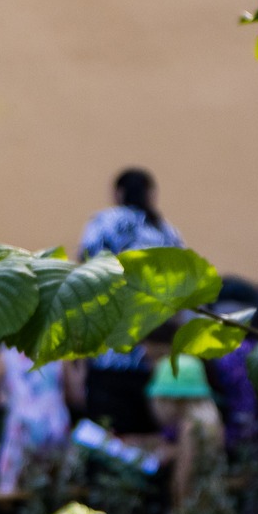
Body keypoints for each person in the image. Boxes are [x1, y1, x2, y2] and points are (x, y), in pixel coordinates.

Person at [69, 168, 183, 435]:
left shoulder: (103, 223)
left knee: (109, 437)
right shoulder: (166, 231)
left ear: (118, 193)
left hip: (109, 357)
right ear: (150, 194)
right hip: (153, 357)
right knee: (146, 437)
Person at [147, 355, 232, 514]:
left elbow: (183, 478)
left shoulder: (190, 426)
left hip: (193, 510)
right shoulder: (210, 418)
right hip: (212, 504)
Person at [0, 347, 71, 494]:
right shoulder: (60, 353)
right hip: (55, 427)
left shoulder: (7, 356)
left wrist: (8, 399)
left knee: (9, 489)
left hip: (22, 431)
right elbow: (75, 395)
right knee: (55, 490)